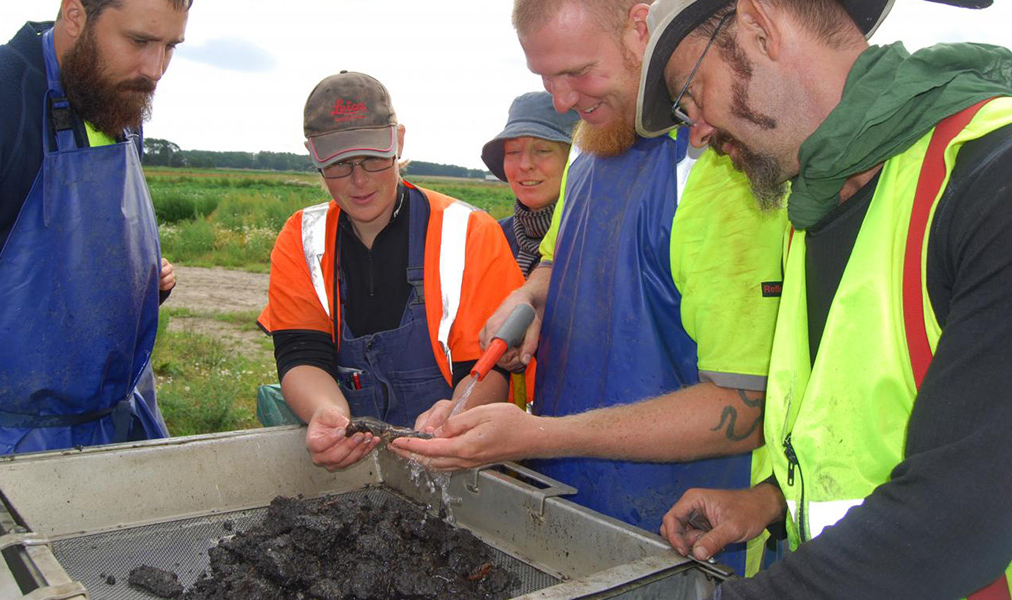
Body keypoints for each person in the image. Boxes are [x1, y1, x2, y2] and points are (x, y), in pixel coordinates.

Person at [393, 0, 787, 575]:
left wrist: (532, 435)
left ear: (638, 25)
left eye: (577, 72)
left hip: (680, 541)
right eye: (546, 78)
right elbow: (555, 265)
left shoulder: (719, 166)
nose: (560, 100)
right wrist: (525, 299)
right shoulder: (589, 148)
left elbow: (743, 410)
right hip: (564, 511)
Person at [636, 0, 1012, 596]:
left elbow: (963, 511)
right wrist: (771, 502)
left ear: (759, 27)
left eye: (692, 94)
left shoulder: (991, 178)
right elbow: (865, 431)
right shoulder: (813, 210)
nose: (699, 134)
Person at [0, 0, 191, 478]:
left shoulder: (114, 102)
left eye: (171, 46)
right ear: (74, 15)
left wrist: (142, 280)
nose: (155, 69)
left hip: (114, 432)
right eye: (139, 41)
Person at [256, 71, 524, 471]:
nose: (359, 180)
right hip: (360, 464)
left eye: (373, 159)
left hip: (461, 455)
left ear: (398, 141)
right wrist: (326, 412)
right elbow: (300, 354)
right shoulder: (303, 238)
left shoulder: (468, 232)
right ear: (314, 155)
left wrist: (455, 412)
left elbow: (492, 369)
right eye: (340, 165)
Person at [482, 91, 579, 277]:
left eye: (542, 150)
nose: (525, 165)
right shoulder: (490, 238)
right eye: (513, 151)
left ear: (572, 161)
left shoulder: (595, 242)